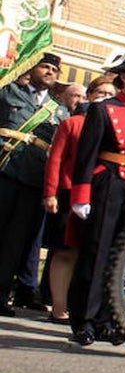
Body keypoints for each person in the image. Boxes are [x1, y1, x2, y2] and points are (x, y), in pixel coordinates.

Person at [68, 52, 125, 345]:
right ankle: (84, 319)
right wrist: (81, 192)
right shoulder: (102, 109)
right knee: (97, 252)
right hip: (109, 181)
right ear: (124, 77)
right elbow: (86, 154)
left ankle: (110, 320)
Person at [0, 52, 64, 316]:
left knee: (16, 242)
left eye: (54, 70)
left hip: (32, 180)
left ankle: (2, 294)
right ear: (32, 68)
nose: (49, 72)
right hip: (4, 171)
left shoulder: (57, 109)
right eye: (45, 66)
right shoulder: (7, 93)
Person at [40, 81, 96, 322]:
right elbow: (56, 160)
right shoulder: (71, 124)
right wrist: (50, 193)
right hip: (67, 192)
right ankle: (59, 307)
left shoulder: (106, 127)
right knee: (64, 252)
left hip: (96, 195)